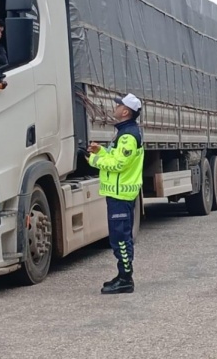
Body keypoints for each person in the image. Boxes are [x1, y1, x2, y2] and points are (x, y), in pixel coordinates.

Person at [87, 93, 144, 294]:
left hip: (121, 195)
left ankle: (126, 279)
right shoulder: (124, 133)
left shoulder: (128, 136)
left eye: (118, 105)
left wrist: (93, 161)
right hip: (118, 194)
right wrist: (101, 151)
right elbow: (114, 156)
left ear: (125, 111)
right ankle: (122, 275)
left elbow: (119, 164)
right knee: (119, 237)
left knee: (120, 238)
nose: (115, 106)